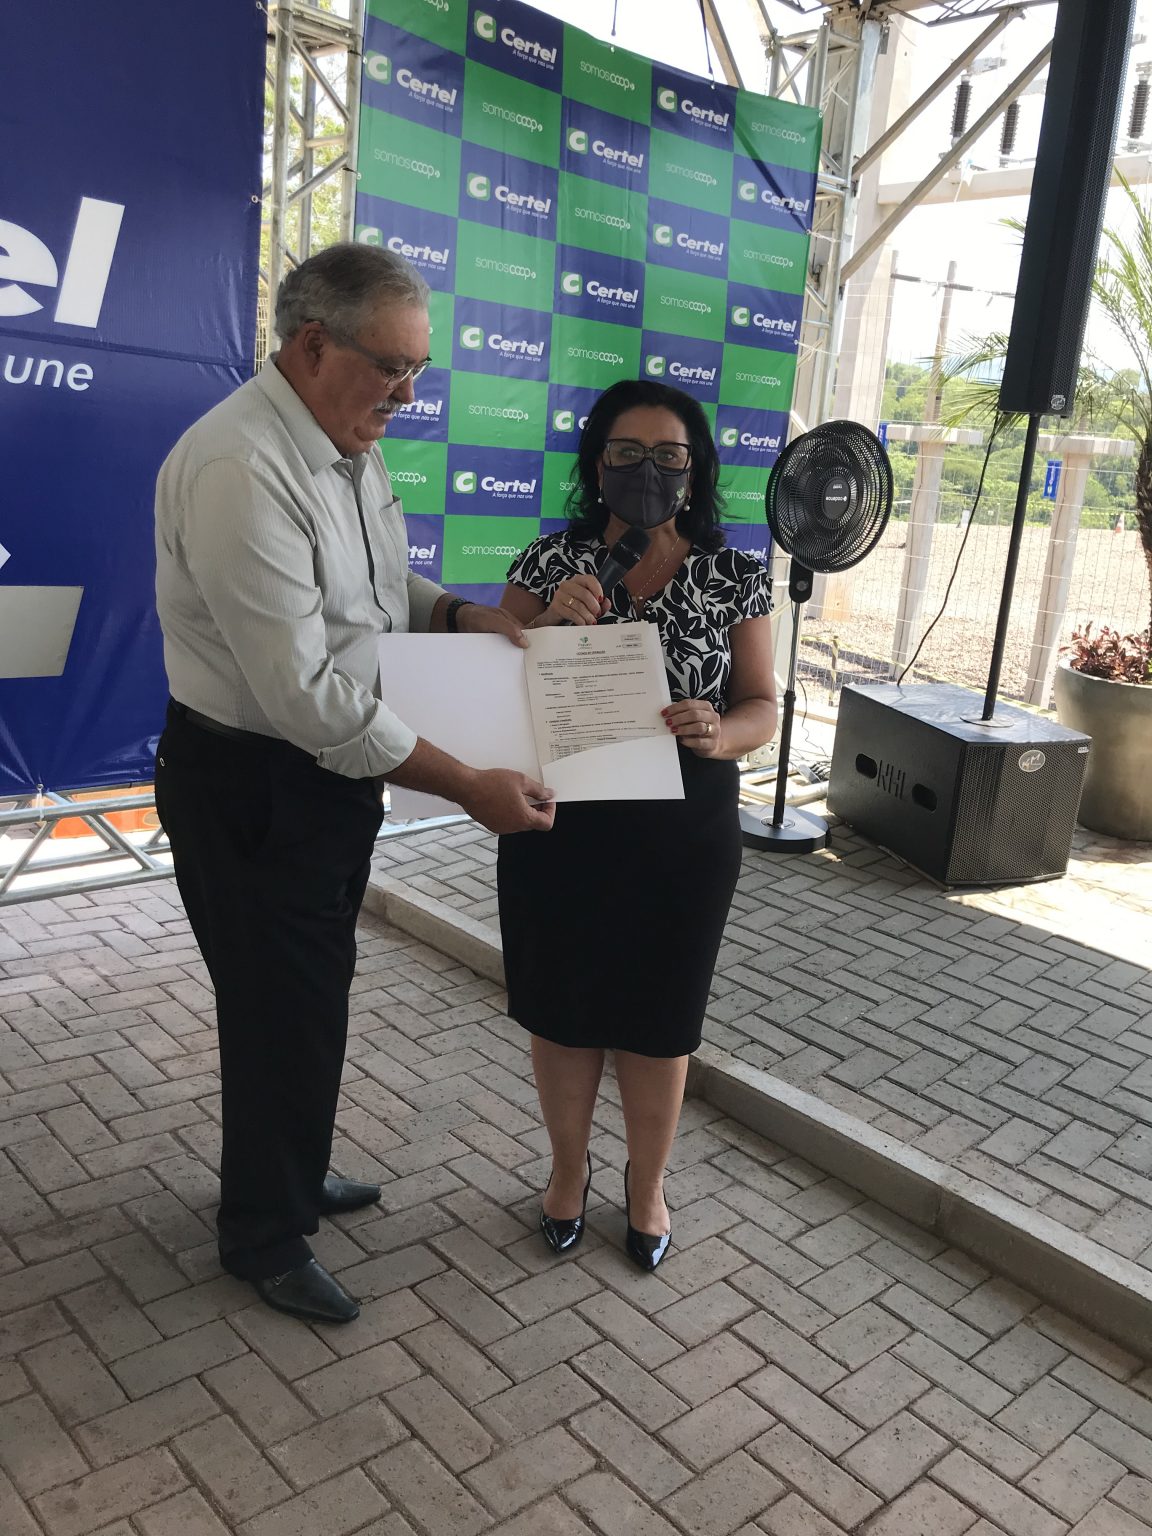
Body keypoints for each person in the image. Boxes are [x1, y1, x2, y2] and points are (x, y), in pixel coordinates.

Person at [153, 245, 554, 1324]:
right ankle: (264, 1236)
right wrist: (467, 784)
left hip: (319, 784)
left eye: (420, 369)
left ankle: (291, 1167)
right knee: (273, 1008)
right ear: (313, 344)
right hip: (255, 782)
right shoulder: (245, 469)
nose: (408, 395)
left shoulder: (344, 443)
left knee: (310, 993)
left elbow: (375, 588)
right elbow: (309, 698)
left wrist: (460, 614)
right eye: (392, 366)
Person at [497, 379, 777, 1271]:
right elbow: (491, 689)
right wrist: (545, 625)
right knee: (564, 1011)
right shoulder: (550, 561)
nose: (647, 471)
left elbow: (762, 704)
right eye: (626, 453)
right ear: (597, 465)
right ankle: (567, 1172)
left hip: (682, 834)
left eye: (668, 456)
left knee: (661, 1018)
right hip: (561, 824)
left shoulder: (736, 573)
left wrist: (720, 733)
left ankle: (647, 1185)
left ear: (695, 470)